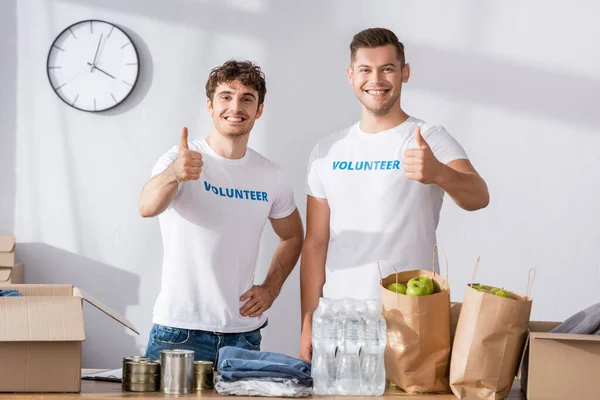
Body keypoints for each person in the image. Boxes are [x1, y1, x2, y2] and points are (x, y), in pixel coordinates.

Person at [299, 28, 489, 362]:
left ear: (405, 72)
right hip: (341, 324)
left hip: (410, 319)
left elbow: (479, 195)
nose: (376, 79)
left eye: (387, 68)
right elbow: (316, 243)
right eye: (365, 70)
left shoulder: (427, 137)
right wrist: (308, 321)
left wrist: (439, 173)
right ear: (350, 75)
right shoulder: (326, 150)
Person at [139, 60, 304, 362]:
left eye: (247, 98)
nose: (235, 106)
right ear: (210, 106)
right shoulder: (181, 159)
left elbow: (292, 236)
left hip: (243, 335)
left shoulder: (271, 174)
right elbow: (146, 207)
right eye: (226, 96)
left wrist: (271, 288)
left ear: (259, 110)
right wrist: (174, 174)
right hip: (179, 331)